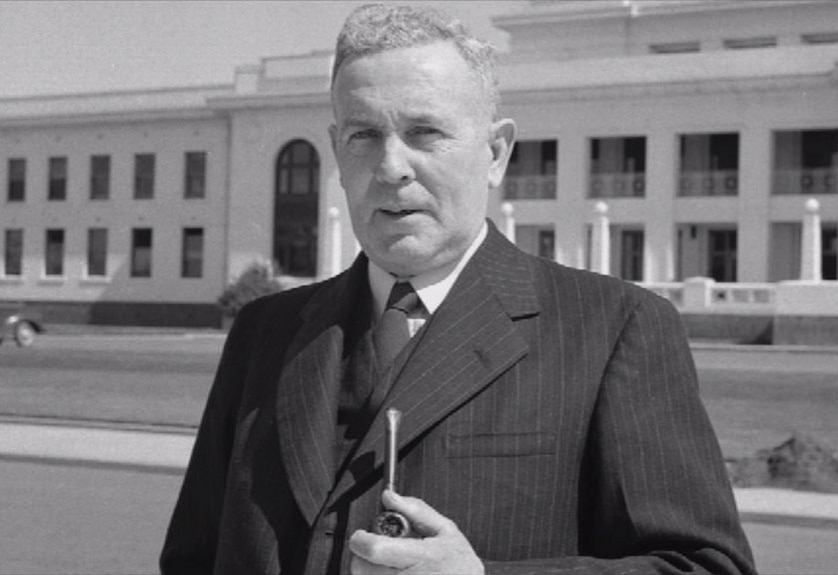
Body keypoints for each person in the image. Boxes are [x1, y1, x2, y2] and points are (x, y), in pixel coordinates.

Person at [160, 4, 757, 574]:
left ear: (495, 153)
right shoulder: (265, 332)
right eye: (363, 135)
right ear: (337, 150)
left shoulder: (612, 328)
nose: (391, 166)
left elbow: (704, 566)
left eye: (424, 132)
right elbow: (194, 557)